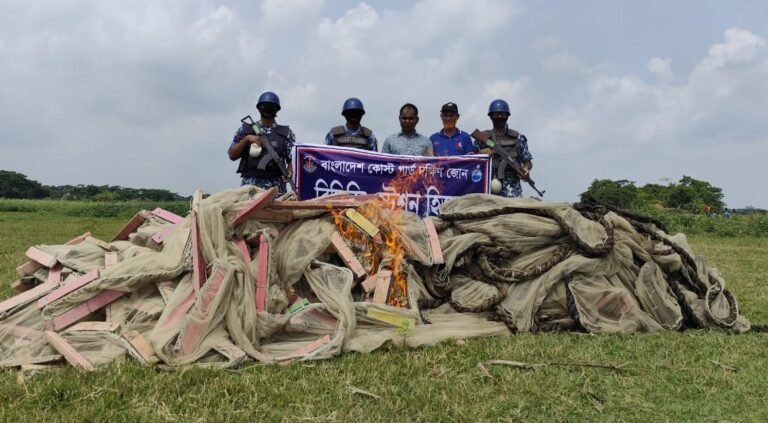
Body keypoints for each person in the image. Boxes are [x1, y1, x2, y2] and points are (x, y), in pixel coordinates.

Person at [228, 91, 296, 195]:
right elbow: (232, 155)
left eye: (271, 107)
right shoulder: (246, 130)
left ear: (276, 109)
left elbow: (292, 159)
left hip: (276, 189)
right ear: (259, 108)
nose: (268, 109)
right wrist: (247, 139)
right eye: (265, 107)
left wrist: (289, 171)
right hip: (249, 190)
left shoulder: (286, 133)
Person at [474, 99, 533, 198]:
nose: (500, 117)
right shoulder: (483, 138)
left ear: (507, 116)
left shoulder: (517, 138)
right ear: (491, 116)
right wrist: (481, 154)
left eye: (503, 114)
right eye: (496, 114)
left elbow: (528, 162)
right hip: (487, 188)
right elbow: (470, 160)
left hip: (512, 191)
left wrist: (526, 169)